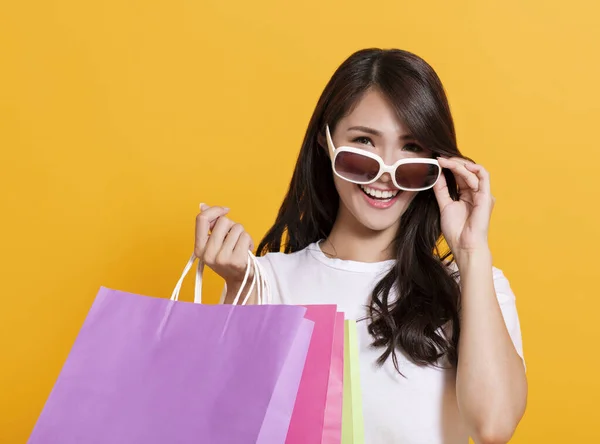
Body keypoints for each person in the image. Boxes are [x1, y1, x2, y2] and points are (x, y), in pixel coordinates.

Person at [193, 48, 527, 444]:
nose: (386, 172)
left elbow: (493, 428)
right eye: (364, 141)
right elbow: (230, 427)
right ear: (326, 141)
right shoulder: (267, 282)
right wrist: (237, 292)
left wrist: (472, 255)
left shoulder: (472, 285)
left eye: (411, 147)